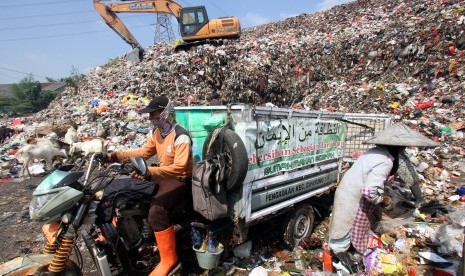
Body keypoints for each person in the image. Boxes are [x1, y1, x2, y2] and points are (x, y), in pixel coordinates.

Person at [328, 123, 439, 272]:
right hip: (352, 196)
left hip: (348, 191)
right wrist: (383, 200)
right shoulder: (385, 161)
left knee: (344, 228)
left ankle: (340, 258)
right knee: (343, 234)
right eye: (404, 147)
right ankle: (337, 264)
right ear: (400, 147)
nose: (404, 149)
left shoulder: (374, 152)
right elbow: (369, 192)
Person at [108, 95, 193, 276]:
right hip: (161, 176)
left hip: (180, 180)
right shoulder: (156, 133)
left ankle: (169, 260)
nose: (151, 118)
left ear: (165, 112)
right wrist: (116, 155)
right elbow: (144, 152)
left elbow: (179, 168)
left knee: (157, 211)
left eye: (154, 114)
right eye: (150, 115)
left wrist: (150, 173)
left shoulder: (181, 136)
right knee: (126, 195)